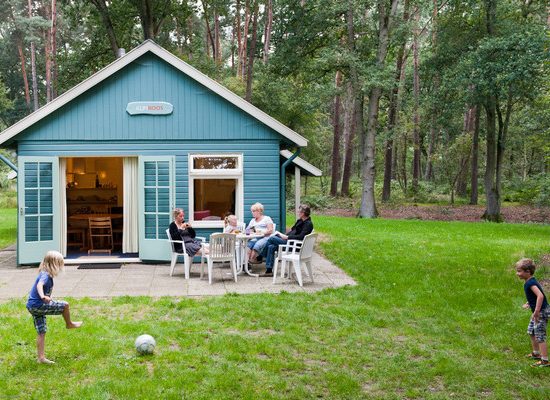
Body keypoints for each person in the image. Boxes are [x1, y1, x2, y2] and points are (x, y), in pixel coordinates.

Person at [26, 251, 82, 364]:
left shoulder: (44, 273)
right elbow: (39, 285)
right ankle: (69, 324)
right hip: (39, 305)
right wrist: (43, 296)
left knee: (41, 331)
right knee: (65, 305)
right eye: (60, 264)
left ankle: (41, 358)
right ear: (54, 264)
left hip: (32, 306)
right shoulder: (45, 276)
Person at [261, 204, 314, 276]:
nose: (298, 213)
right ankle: (269, 270)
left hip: (295, 246)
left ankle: (261, 256)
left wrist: (287, 237)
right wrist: (284, 235)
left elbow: (301, 237)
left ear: (303, 213)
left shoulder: (308, 224)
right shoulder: (300, 221)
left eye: (299, 212)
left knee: (272, 238)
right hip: (289, 242)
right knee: (271, 246)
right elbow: (292, 231)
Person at [516, 258, 550, 368]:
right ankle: (536, 353)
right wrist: (529, 303)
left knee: (540, 335)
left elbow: (540, 296)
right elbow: (535, 296)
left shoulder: (531, 283)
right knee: (531, 331)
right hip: (538, 311)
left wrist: (536, 311)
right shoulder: (529, 281)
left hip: (541, 312)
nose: (517, 273)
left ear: (528, 272)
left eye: (519, 271)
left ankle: (545, 360)